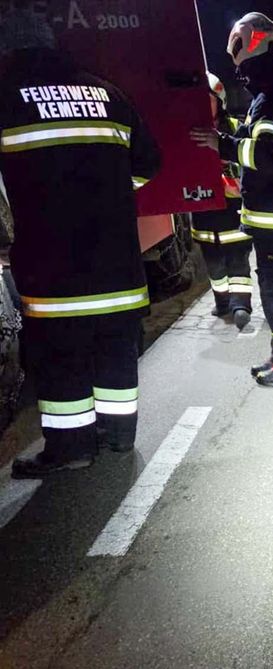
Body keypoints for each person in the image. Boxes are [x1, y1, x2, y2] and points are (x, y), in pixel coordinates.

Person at [0, 11, 161, 478]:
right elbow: (150, 161)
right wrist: (105, 196)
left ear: (9, 52)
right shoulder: (106, 92)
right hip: (117, 266)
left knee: (61, 357)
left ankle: (71, 448)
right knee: (115, 351)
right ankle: (118, 437)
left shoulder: (8, 97)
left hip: (55, 271)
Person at [192, 12, 273, 386]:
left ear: (252, 50)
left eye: (241, 64)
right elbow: (262, 141)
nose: (240, 73)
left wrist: (223, 145)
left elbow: (272, 155)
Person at [190, 72, 253, 330]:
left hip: (232, 209)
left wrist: (226, 163)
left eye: (209, 100)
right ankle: (223, 302)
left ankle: (241, 305)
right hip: (203, 210)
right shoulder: (187, 133)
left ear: (220, 101)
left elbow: (248, 165)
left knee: (238, 260)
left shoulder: (235, 129)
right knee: (214, 264)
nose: (204, 106)